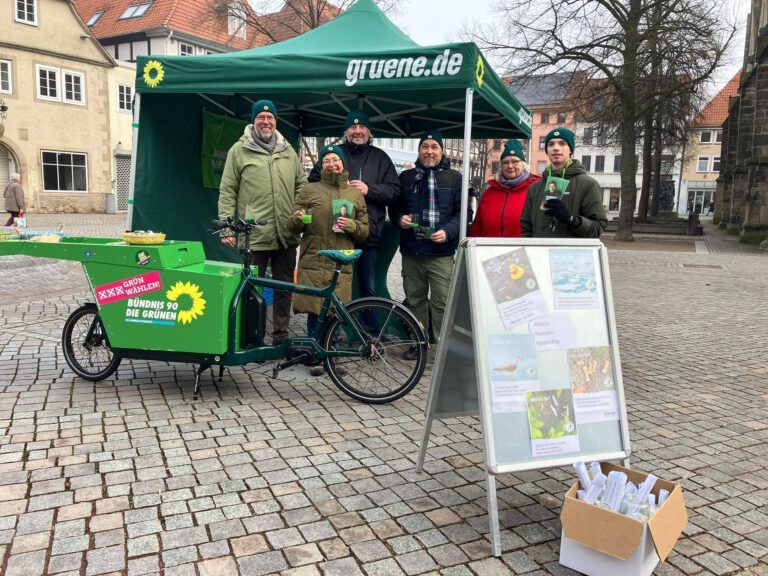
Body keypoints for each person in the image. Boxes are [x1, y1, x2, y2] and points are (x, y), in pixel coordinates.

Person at [218, 99, 308, 344]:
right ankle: (251, 339)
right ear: (254, 121)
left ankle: (281, 338)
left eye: (270, 118)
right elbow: (227, 190)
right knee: (251, 290)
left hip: (286, 233)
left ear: (276, 122)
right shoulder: (239, 150)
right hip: (253, 234)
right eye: (261, 118)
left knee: (284, 289)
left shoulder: (288, 151)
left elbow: (302, 185)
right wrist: (227, 227)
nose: (266, 122)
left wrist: (298, 212)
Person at [288, 145, 369, 375]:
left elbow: (365, 232)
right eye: (327, 160)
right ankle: (313, 356)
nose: (332, 164)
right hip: (314, 256)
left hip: (340, 260)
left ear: (343, 164)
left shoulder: (354, 194)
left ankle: (333, 355)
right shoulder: (309, 190)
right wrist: (296, 219)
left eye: (336, 160)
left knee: (338, 309)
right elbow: (292, 226)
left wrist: (352, 226)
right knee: (315, 308)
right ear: (321, 165)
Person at [308, 109, 400, 300]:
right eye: (353, 127)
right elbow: (313, 184)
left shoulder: (381, 158)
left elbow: (395, 192)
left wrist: (369, 190)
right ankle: (333, 329)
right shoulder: (333, 155)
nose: (357, 131)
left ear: (368, 132)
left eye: (362, 127)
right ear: (346, 132)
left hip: (369, 236)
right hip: (336, 236)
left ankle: (369, 331)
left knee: (369, 290)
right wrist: (337, 185)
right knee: (333, 288)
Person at [395, 130, 469, 355]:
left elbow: (463, 214)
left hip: (441, 253)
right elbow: (396, 207)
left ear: (442, 150)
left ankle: (443, 346)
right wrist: (400, 218)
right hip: (412, 252)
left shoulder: (456, 179)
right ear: (419, 150)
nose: (429, 151)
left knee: (442, 302)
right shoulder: (406, 178)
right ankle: (419, 343)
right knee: (415, 300)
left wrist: (448, 232)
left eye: (434, 147)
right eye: (425, 146)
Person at [521, 127, 607, 238]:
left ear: (570, 150)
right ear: (547, 151)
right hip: (540, 254)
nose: (556, 148)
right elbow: (526, 227)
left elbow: (597, 228)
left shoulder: (588, 184)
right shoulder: (535, 187)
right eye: (551, 144)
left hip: (570, 254)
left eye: (562, 144)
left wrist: (571, 219)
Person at [469, 140, 540, 237]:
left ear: (523, 165)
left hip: (522, 250)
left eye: (515, 162)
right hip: (489, 249)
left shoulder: (534, 189)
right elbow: (478, 225)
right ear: (501, 166)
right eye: (505, 162)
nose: (510, 166)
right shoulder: (490, 192)